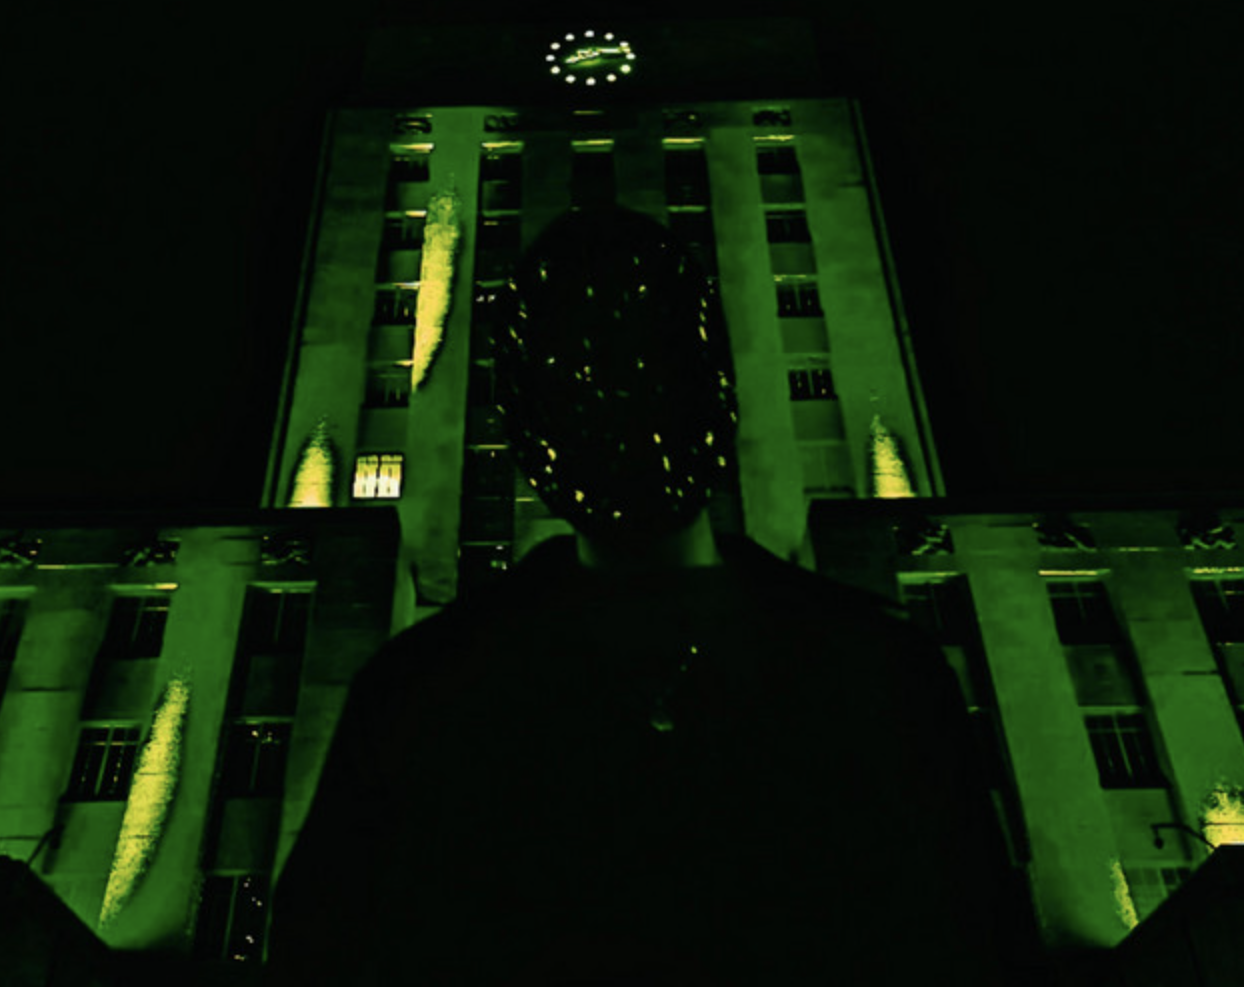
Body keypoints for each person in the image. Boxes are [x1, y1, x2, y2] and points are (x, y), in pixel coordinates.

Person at [263, 207, 1052, 986]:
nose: (618, 402)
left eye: (647, 359)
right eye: (579, 369)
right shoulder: (416, 696)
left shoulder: (881, 675)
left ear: (711, 381)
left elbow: (973, 931)